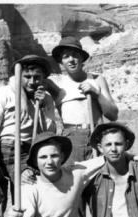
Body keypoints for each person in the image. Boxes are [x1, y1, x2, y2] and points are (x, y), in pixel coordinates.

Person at [7, 132, 106, 217]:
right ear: (35, 162)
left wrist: (129, 156)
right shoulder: (29, 186)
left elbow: (106, 158)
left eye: (54, 156)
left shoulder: (75, 173)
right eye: (43, 157)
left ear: (62, 157)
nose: (49, 162)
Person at [0, 54, 57, 211]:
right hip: (8, 147)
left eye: (37, 77)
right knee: (2, 192)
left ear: (44, 78)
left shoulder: (46, 98)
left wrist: (43, 106)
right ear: (18, 76)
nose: (32, 82)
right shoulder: (4, 93)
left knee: (28, 190)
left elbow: (50, 131)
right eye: (27, 77)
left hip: (32, 148)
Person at [47, 36, 119, 164]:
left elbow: (113, 115)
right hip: (72, 138)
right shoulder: (57, 83)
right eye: (66, 56)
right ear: (60, 61)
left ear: (81, 58)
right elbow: (30, 81)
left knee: (101, 177)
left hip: (97, 135)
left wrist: (97, 94)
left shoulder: (97, 79)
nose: (71, 60)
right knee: (75, 179)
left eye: (75, 55)